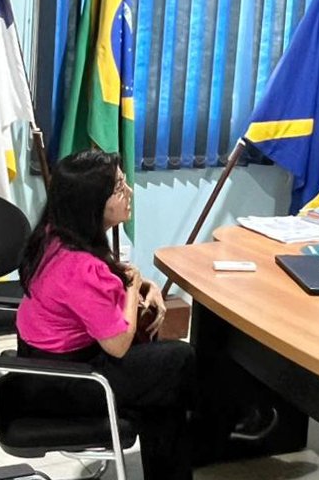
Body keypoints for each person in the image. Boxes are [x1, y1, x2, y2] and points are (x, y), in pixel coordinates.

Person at [16, 149, 196, 480]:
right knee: (179, 360)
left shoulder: (54, 236)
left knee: (165, 390)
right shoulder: (82, 267)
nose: (129, 193)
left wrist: (138, 282)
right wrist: (135, 286)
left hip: (38, 368)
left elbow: (103, 278)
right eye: (118, 188)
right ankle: (222, 428)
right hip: (66, 383)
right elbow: (118, 345)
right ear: (92, 202)